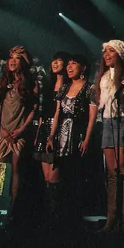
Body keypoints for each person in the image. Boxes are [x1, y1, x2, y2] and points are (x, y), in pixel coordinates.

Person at [45, 54, 99, 227]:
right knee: (55, 176)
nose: (69, 67)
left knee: (74, 177)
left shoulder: (90, 88)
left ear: (83, 68)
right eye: (68, 64)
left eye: (74, 63)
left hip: (77, 135)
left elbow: (92, 117)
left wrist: (87, 139)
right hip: (61, 136)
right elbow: (57, 114)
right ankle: (56, 216)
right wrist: (51, 136)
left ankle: (72, 219)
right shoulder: (64, 88)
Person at [95, 39, 124, 233]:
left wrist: (118, 77)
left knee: (123, 170)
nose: (106, 54)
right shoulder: (104, 77)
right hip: (108, 122)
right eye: (105, 51)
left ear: (120, 54)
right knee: (112, 172)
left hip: (123, 122)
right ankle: (111, 218)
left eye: (111, 51)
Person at [0, 45, 38, 215]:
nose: (12, 61)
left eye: (17, 58)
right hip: (2, 131)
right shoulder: (2, 82)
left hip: (19, 132)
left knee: (16, 167)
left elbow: (33, 110)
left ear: (23, 62)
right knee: (2, 167)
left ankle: (12, 209)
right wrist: (0, 128)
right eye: (11, 57)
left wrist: (21, 130)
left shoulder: (31, 84)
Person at [33, 51, 70, 222]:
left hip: (59, 129)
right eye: (53, 60)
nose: (55, 63)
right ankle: (48, 214)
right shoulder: (48, 85)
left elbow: (61, 112)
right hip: (44, 129)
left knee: (55, 174)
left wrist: (52, 134)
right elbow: (42, 111)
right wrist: (39, 133)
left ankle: (56, 216)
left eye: (59, 60)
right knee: (46, 176)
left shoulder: (68, 86)